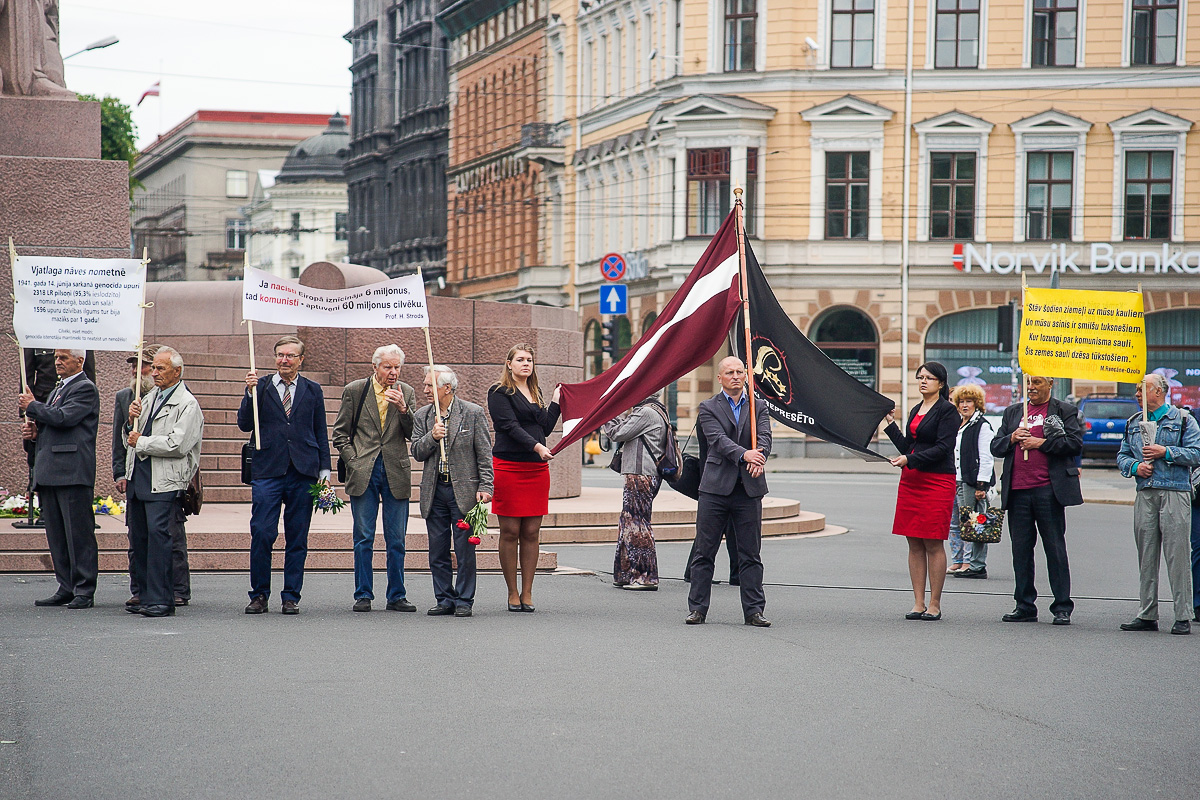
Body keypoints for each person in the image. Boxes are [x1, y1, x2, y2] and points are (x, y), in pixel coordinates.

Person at [238, 335, 330, 615]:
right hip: (268, 470)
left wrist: (324, 471)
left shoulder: (312, 390)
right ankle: (259, 595)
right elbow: (244, 424)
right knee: (263, 533)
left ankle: (291, 596)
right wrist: (249, 394)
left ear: (301, 359)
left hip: (303, 471)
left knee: (297, 537)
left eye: (290, 356)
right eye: (280, 355)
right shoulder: (261, 386)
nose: (284, 360)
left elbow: (320, 432)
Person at [686, 356, 773, 627]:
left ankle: (754, 611)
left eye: (740, 371)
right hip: (715, 489)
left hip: (748, 489)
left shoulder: (759, 406)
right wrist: (746, 455)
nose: (735, 376)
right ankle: (698, 609)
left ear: (746, 376)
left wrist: (760, 457)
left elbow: (766, 437)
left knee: (750, 554)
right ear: (720, 378)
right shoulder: (708, 407)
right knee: (704, 552)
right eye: (729, 372)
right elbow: (718, 441)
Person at [990, 375, 1083, 625]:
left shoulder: (1064, 410)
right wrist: (1012, 438)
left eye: (1037, 383)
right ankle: (1024, 605)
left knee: (1054, 549)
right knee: (1020, 551)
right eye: (1028, 383)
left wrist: (1041, 443)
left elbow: (1074, 444)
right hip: (1018, 491)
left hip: (1048, 490)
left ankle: (1062, 606)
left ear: (1050, 384)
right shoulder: (1012, 413)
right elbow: (996, 447)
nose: (1031, 387)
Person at [331, 345, 417, 613]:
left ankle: (397, 595)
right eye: (387, 367)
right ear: (375, 367)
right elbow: (340, 434)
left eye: (397, 367)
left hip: (396, 470)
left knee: (397, 539)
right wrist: (353, 461)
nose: (393, 372)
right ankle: (363, 594)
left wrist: (404, 409)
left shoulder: (407, 392)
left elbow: (414, 433)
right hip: (364, 469)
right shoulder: (356, 390)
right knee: (364, 536)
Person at [1115, 374, 1200, 635]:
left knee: (1178, 556)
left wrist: (1167, 452)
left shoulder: (1183, 420)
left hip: (1175, 491)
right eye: (1137, 390)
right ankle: (1147, 613)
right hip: (1146, 492)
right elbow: (1122, 455)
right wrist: (1134, 467)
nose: (1137, 395)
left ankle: (1183, 615)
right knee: (1146, 555)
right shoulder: (1134, 422)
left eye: (1143, 390)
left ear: (1160, 392)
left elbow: (1196, 453)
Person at [122, 348, 203, 618]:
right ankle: (144, 595)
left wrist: (140, 441)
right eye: (153, 368)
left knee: (160, 540)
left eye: (160, 369)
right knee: (140, 538)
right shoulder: (149, 397)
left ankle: (162, 599)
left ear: (177, 372)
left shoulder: (187, 403)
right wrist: (130, 421)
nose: (154, 373)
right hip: (139, 477)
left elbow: (177, 444)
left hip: (164, 481)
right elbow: (130, 438)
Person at [18, 349, 99, 608]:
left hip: (72, 472)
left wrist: (33, 406)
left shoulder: (85, 388)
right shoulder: (56, 390)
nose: (57, 362)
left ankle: (84, 589)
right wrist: (34, 432)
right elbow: (52, 424)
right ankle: (66, 585)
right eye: (55, 358)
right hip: (51, 471)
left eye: (63, 358)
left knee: (78, 535)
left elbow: (65, 418)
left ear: (80, 361)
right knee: (57, 534)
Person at [411, 365, 494, 617]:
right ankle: (444, 598)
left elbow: (484, 453)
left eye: (429, 385)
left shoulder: (472, 413)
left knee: (464, 549)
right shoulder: (423, 416)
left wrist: (486, 486)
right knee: (437, 549)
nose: (425, 390)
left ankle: (464, 600)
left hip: (464, 492)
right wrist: (432, 437)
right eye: (425, 385)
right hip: (434, 491)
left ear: (447, 388)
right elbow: (416, 451)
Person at [487, 343, 561, 612]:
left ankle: (528, 592)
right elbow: (509, 426)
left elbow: (545, 426)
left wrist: (556, 401)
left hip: (536, 469)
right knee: (510, 531)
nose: (526, 364)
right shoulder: (498, 392)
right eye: (520, 359)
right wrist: (537, 447)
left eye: (529, 360)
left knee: (531, 531)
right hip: (509, 466)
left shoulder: (535, 391)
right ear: (509, 364)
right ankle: (512, 592)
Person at [884, 362, 960, 621]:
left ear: (941, 383)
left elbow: (943, 448)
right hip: (912, 480)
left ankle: (934, 604)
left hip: (937, 480)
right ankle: (918, 602)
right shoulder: (917, 409)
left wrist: (909, 460)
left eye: (929, 378)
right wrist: (890, 425)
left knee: (932, 541)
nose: (923, 381)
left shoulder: (948, 411)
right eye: (920, 377)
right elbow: (909, 445)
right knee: (913, 541)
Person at [603, 394, 670, 590]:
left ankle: (645, 576)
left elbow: (618, 433)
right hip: (643, 474)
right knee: (628, 520)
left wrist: (607, 414)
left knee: (638, 523)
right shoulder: (655, 409)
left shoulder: (646, 412)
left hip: (641, 474)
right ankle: (625, 573)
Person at [950, 384, 995, 579]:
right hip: (957, 480)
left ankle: (976, 565)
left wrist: (981, 486)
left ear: (977, 404)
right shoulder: (960, 424)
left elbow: (986, 458)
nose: (964, 405)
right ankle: (960, 561)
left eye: (969, 401)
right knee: (960, 523)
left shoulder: (982, 425)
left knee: (975, 524)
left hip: (971, 482)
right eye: (961, 402)